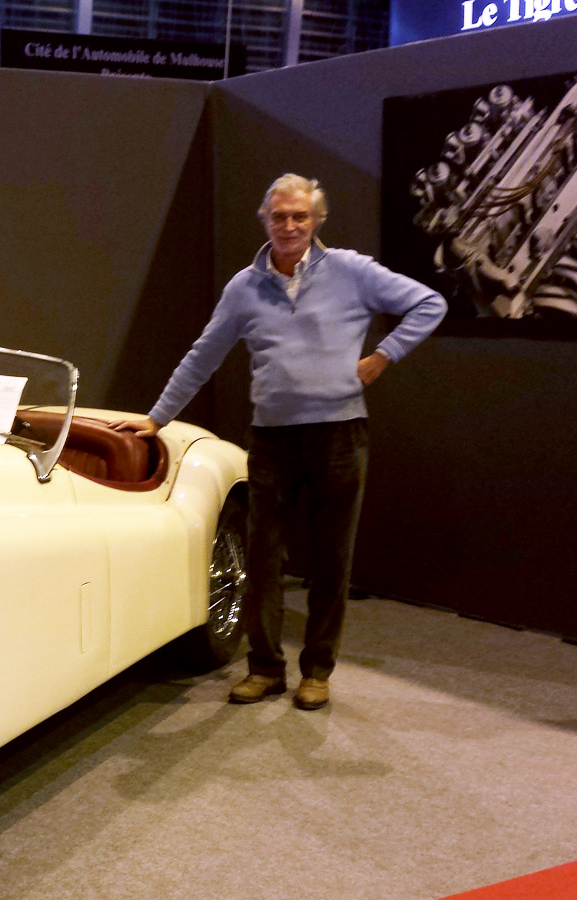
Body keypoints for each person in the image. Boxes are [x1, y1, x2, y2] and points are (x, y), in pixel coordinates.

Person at [116, 174, 445, 710]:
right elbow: (204, 355)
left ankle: (317, 671)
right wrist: (156, 419)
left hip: (340, 434)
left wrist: (384, 355)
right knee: (263, 560)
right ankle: (266, 668)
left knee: (332, 561)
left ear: (317, 220)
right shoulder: (244, 287)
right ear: (264, 220)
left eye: (300, 217)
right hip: (271, 440)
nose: (289, 226)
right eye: (279, 217)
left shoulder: (352, 272)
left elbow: (429, 303)